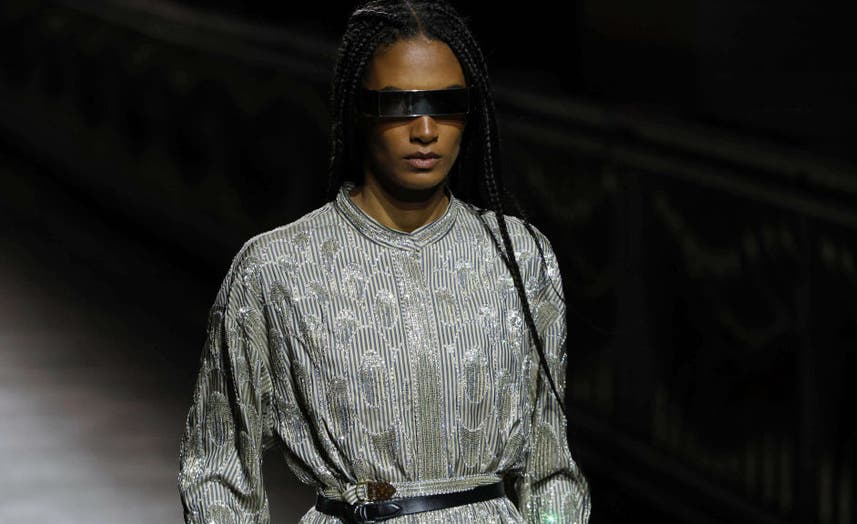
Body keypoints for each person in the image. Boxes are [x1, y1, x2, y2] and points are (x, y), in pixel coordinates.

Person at [177, 0, 591, 522]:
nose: (425, 130)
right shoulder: (276, 268)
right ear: (357, 110)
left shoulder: (521, 257)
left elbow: (551, 470)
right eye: (398, 105)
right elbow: (218, 470)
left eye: (446, 104)